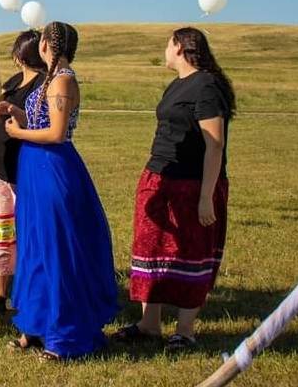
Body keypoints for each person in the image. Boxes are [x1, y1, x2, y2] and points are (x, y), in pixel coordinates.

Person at [112, 27, 236, 353]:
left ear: (180, 46)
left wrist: (206, 196)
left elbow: (215, 144)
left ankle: (185, 330)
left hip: (191, 183)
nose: (164, 51)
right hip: (159, 177)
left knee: (191, 253)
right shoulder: (177, 84)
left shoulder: (206, 86)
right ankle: (148, 323)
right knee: (149, 249)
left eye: (168, 45)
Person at [0, 21, 119, 361]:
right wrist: (16, 112)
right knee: (35, 245)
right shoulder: (51, 79)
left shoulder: (63, 79)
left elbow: (55, 133)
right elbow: (41, 120)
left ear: (46, 45)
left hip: (53, 168)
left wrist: (17, 134)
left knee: (56, 248)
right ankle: (35, 326)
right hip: (35, 168)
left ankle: (64, 336)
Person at [0, 29, 45, 315]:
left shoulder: (43, 84)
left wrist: (13, 110)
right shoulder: (12, 82)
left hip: (24, 169)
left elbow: (42, 121)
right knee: (0, 230)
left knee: (25, 231)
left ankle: (25, 289)